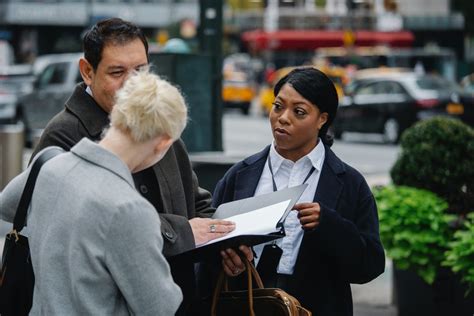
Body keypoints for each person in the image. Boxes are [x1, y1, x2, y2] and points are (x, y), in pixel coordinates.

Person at [29, 17, 251, 314]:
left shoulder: (160, 125)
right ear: (87, 71)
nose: (133, 83)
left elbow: (196, 203)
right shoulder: (63, 134)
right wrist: (183, 231)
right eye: (118, 72)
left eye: (141, 70)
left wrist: (223, 243)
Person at [0, 69, 186, 315]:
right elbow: (159, 307)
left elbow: (6, 205)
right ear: (164, 141)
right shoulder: (129, 209)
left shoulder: (48, 166)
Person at [211, 67, 385, 316]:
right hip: (246, 305)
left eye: (299, 112)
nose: (283, 117)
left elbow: (370, 265)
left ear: (322, 119)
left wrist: (329, 225)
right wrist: (228, 259)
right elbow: (208, 250)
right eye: (278, 106)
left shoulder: (350, 183)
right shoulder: (240, 175)